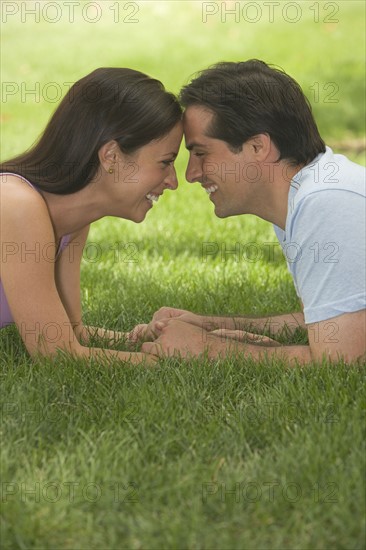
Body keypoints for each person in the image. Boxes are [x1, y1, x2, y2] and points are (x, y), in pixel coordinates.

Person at [137, 60, 366, 365]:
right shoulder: (307, 195)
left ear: (258, 147)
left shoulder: (325, 203)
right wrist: (209, 326)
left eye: (202, 154)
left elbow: (342, 359)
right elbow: (334, 316)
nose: (191, 175)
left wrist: (206, 348)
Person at [0, 68, 183, 364]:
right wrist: (175, 358)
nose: (173, 181)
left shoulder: (73, 224)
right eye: (165, 162)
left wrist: (145, 339)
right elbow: (55, 353)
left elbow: (71, 334)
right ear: (111, 156)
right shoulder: (15, 205)